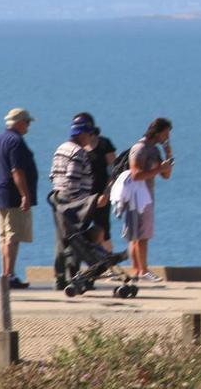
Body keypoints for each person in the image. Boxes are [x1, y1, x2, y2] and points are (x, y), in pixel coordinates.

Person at [0, 108, 37, 289]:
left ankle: (6, 272)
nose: (28, 126)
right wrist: (25, 194)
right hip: (12, 193)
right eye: (27, 122)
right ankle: (9, 275)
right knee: (13, 236)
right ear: (19, 122)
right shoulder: (16, 141)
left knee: (3, 236)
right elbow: (17, 170)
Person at [49, 118, 97, 291]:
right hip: (72, 201)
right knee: (75, 239)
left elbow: (52, 175)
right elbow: (72, 179)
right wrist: (79, 202)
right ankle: (74, 277)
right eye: (89, 134)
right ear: (82, 134)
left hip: (57, 197)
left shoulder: (61, 148)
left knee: (61, 239)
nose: (91, 137)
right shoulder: (78, 152)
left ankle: (60, 277)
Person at [123, 118, 173, 283]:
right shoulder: (140, 148)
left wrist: (168, 153)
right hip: (137, 196)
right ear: (158, 132)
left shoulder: (154, 150)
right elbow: (136, 174)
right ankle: (142, 270)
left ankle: (138, 270)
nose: (167, 136)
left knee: (139, 235)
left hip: (146, 197)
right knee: (140, 236)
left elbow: (166, 175)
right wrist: (159, 168)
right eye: (166, 132)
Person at [73, 112, 117, 249]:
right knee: (81, 230)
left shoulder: (104, 144)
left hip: (101, 194)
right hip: (83, 196)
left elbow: (113, 170)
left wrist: (107, 193)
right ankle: (91, 264)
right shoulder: (77, 147)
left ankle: (108, 265)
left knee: (103, 229)